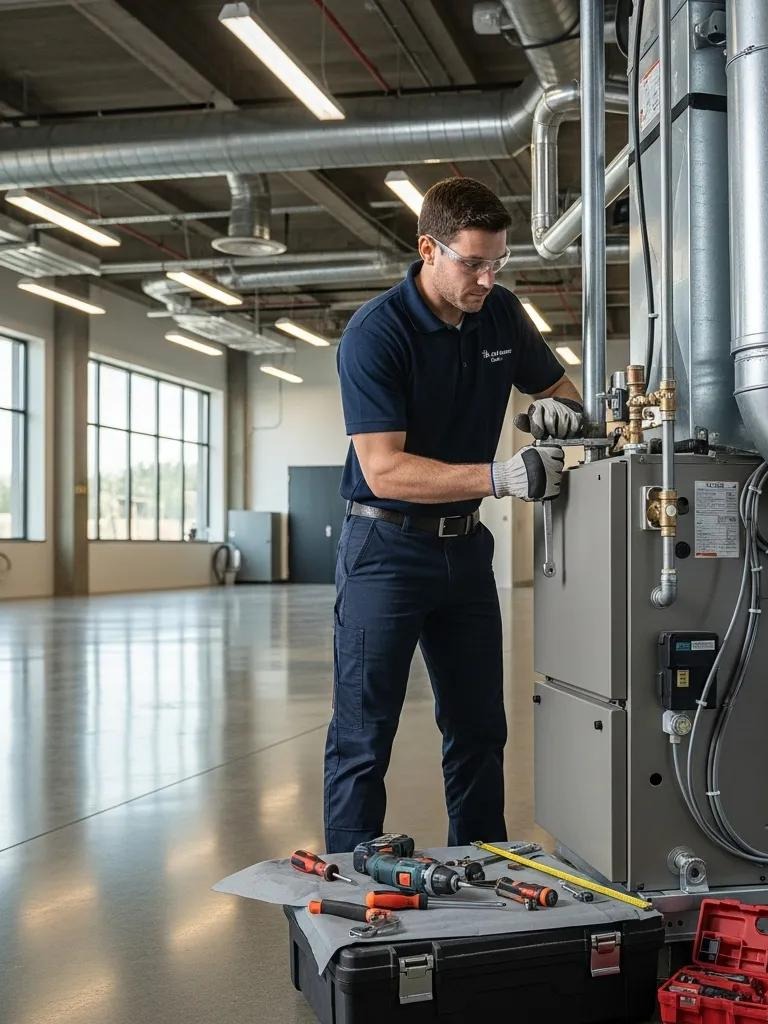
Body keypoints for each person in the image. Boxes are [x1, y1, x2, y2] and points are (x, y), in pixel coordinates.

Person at [324, 177, 585, 852]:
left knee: (478, 729)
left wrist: (559, 413)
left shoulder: (501, 313)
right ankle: (348, 884)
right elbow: (384, 469)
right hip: (385, 548)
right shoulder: (376, 334)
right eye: (472, 263)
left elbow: (560, 389)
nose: (487, 278)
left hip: (465, 551)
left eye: (498, 262)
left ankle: (484, 869)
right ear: (428, 250)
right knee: (363, 733)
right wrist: (499, 476)